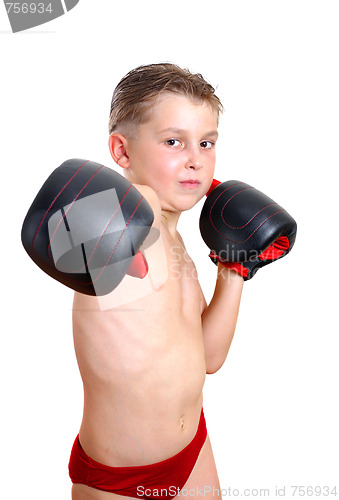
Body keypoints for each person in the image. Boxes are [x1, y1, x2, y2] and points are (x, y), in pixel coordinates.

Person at [69, 63, 244, 499]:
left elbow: (208, 357)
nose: (195, 159)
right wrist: (84, 221)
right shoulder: (132, 218)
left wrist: (235, 269)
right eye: (173, 141)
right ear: (122, 153)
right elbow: (92, 221)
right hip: (121, 480)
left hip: (193, 449)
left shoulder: (176, 238)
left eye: (206, 143)